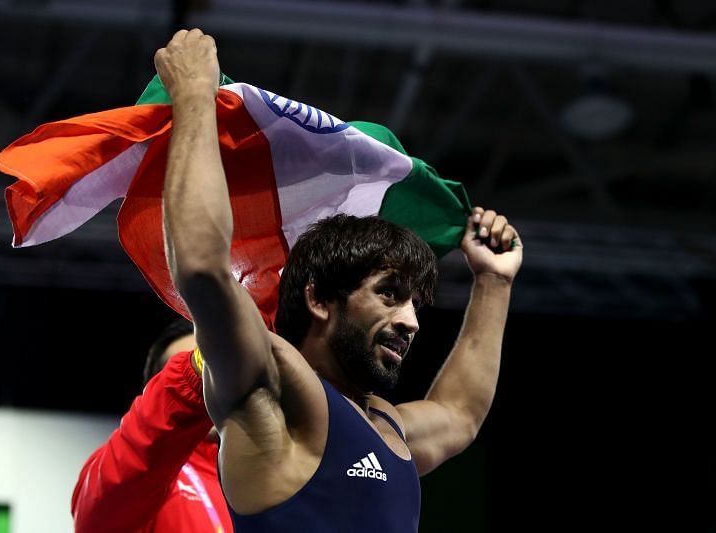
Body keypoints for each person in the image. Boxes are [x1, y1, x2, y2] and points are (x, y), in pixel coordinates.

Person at [156, 28, 523, 532]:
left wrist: (493, 282)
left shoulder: (390, 429)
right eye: (389, 295)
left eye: (414, 303)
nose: (411, 321)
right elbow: (202, 268)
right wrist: (194, 99)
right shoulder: (270, 388)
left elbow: (459, 413)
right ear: (321, 299)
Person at [71, 319, 232, 533]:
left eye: (220, 369)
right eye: (205, 368)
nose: (212, 384)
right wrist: (192, 376)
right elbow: (99, 519)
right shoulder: (140, 473)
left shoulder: (255, 475)